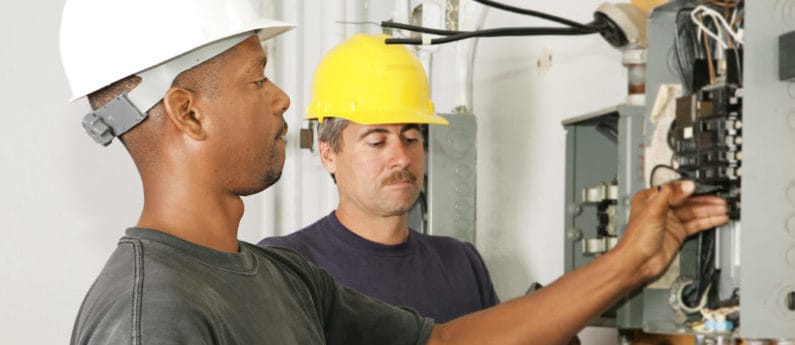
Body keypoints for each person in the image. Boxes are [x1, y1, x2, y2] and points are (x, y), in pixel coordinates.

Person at [60, 0, 730, 344]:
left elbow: (446, 339)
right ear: (188, 113)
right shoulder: (150, 314)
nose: (282, 98)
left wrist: (634, 260)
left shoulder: (279, 277)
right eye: (256, 79)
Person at [259, 34, 499, 323]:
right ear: (328, 154)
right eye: (377, 142)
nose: (402, 157)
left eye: (411, 137)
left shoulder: (462, 263)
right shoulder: (287, 265)